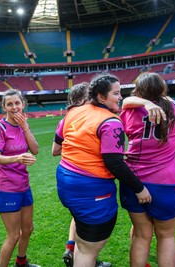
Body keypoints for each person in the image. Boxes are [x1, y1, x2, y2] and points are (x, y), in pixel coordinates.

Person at [56, 73, 151, 267]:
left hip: (66, 181)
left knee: (83, 245)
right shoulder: (111, 121)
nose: (120, 97)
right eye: (116, 93)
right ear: (101, 96)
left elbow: (60, 143)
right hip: (91, 189)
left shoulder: (74, 111)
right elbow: (114, 163)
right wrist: (140, 189)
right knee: (88, 249)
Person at [120, 72, 175, 267]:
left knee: (141, 236)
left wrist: (143, 102)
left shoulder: (130, 111)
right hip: (166, 182)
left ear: (138, 91)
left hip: (134, 180)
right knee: (166, 237)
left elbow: (125, 104)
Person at [52, 82, 111, 267]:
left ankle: (72, 248)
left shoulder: (68, 117)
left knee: (80, 218)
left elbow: (55, 150)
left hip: (68, 179)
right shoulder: (89, 117)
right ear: (84, 99)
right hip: (88, 178)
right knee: (89, 229)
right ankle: (83, 257)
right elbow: (55, 150)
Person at [0, 89, 40, 267]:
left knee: (28, 229)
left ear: (22, 104)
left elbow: (36, 149)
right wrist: (17, 158)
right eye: (10, 104)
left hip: (24, 185)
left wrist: (25, 127)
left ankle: (21, 262)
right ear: (4, 107)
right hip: (6, 188)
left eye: (17, 103)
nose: (14, 107)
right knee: (14, 235)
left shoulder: (24, 125)